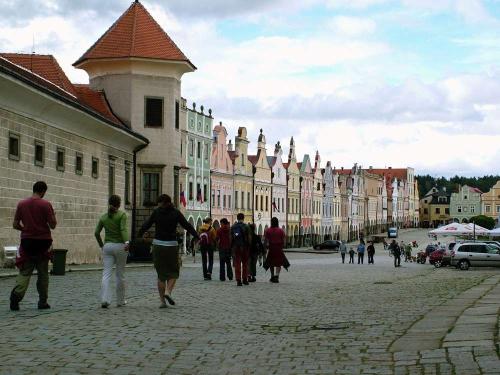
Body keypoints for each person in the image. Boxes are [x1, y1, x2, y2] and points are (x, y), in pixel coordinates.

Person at [138, 194, 199, 308]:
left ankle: (162, 302)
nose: (159, 205)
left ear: (163, 202)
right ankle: (168, 292)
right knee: (174, 271)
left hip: (158, 245)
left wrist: (139, 234)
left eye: (159, 203)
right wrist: (196, 235)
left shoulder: (157, 212)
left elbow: (147, 224)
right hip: (171, 245)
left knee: (161, 275)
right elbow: (186, 225)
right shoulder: (176, 212)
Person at [10, 181, 57, 311]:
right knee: (43, 274)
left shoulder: (22, 204)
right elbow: (53, 225)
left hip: (27, 242)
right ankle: (42, 302)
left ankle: (16, 296)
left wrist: (25, 229)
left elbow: (15, 224)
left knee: (25, 272)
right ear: (43, 191)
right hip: (43, 242)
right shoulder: (46, 205)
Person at [94, 195, 129, 308]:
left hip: (107, 246)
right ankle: (120, 301)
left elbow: (96, 233)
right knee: (120, 274)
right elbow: (123, 229)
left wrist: (101, 245)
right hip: (120, 246)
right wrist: (127, 242)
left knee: (106, 274)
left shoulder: (103, 217)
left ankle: (104, 299)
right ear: (119, 204)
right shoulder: (122, 215)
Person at [264, 217, 287, 283]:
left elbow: (266, 240)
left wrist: (265, 247)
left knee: (271, 262)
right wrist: (282, 246)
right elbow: (284, 241)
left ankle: (272, 276)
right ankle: (277, 276)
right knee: (278, 263)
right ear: (277, 222)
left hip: (271, 248)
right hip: (279, 248)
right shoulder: (281, 230)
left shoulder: (268, 230)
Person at [231, 213, 251, 286]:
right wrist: (249, 245)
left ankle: (238, 280)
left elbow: (231, 238)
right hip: (245, 247)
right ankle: (245, 279)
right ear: (243, 218)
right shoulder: (246, 226)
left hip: (236, 247)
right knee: (245, 263)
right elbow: (249, 238)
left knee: (237, 264)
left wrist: (231, 247)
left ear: (237, 218)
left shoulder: (233, 227)